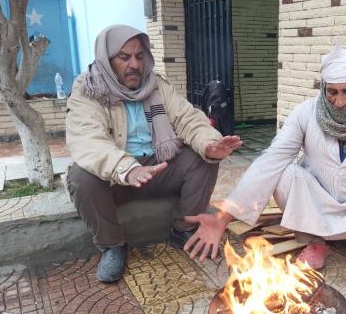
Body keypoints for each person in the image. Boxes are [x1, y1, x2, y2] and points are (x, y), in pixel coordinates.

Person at [183, 46, 346, 304]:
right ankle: (316, 241)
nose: (339, 102)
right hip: (321, 203)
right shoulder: (306, 112)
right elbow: (272, 160)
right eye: (332, 92)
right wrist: (224, 216)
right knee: (282, 172)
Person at [66, 25, 241, 283]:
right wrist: (127, 168)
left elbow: (186, 117)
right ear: (106, 59)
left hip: (159, 167)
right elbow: (88, 139)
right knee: (81, 178)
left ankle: (183, 230)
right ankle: (112, 246)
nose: (134, 64)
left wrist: (209, 143)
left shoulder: (155, 84)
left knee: (203, 158)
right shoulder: (88, 89)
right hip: (117, 175)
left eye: (139, 56)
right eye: (124, 57)